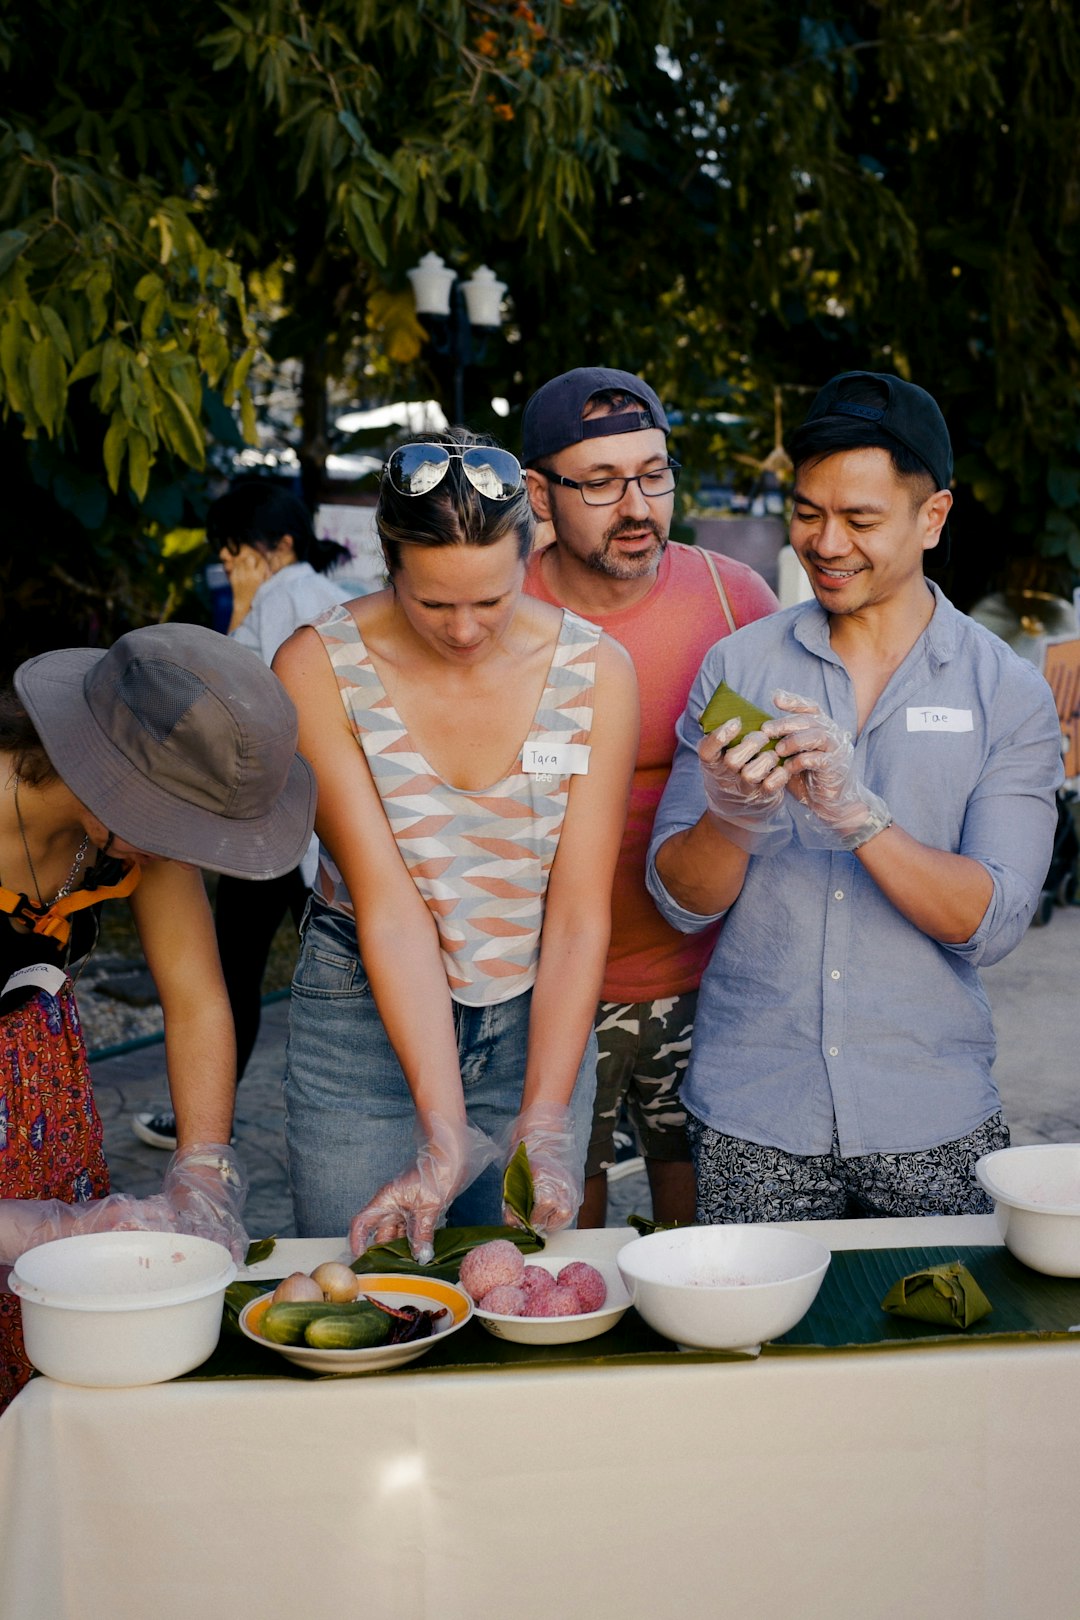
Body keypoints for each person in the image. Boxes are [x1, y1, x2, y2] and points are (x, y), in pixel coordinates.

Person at [646, 370, 1063, 1222]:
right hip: (755, 1109)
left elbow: (990, 922)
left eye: (862, 520)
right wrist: (731, 819)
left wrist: (860, 817)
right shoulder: (741, 668)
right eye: (808, 513)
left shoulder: (1007, 692)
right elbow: (679, 900)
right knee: (759, 1351)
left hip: (932, 1111)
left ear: (933, 518)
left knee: (931, 1353)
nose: (827, 543)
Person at [273, 429, 638, 1260]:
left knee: (527, 1283)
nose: (466, 630)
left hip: (535, 1006)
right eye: (434, 604)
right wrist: (445, 1132)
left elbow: (580, 914)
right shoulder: (317, 667)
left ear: (530, 552)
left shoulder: (597, 673)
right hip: (363, 1001)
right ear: (389, 565)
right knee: (361, 1275)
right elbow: (391, 907)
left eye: (492, 601)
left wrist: (543, 1117)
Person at [0, 621, 316, 1405]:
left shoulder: (126, 838)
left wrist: (203, 1168)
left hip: (45, 1129)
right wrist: (29, 1230)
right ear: (110, 781)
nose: (190, 851)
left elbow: (198, 997)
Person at [521, 367, 779, 1225]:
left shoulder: (731, 602)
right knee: (564, 1233)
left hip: (709, 982)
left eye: (653, 474)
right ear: (539, 495)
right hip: (550, 990)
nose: (637, 506)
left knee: (700, 1233)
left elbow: (768, 786)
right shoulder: (497, 610)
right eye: (599, 482)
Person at [132, 482, 353, 1150]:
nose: (226, 560)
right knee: (314, 964)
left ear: (279, 544)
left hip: (279, 820)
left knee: (237, 973)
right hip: (310, 823)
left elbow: (241, 698)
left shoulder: (285, 597)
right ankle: (214, 1116)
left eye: (235, 546)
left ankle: (208, 1122)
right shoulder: (321, 592)